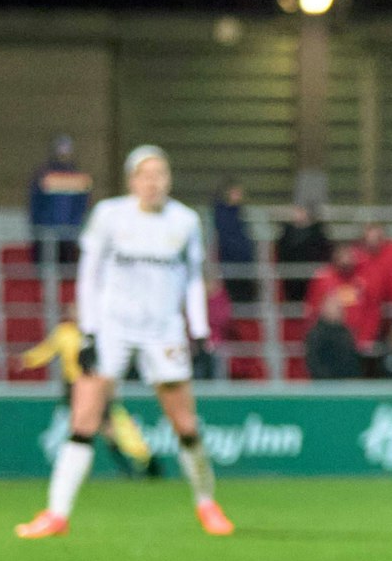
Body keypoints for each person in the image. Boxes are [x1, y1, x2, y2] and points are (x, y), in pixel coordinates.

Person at [16, 145, 232, 539]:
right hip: (113, 328)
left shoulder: (184, 221)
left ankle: (207, 503)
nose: (153, 182)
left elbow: (192, 280)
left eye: (160, 174)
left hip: (163, 329)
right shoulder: (110, 215)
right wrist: (89, 332)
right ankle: (56, 514)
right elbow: (89, 277)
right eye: (145, 175)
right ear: (133, 180)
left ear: (168, 179)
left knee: (185, 424)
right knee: (83, 420)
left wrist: (198, 331)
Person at [16, 319, 158, 478]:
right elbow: (47, 350)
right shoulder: (65, 332)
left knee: (106, 426)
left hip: (94, 384)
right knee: (90, 427)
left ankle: (138, 463)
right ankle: (131, 466)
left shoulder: (97, 332)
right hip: (73, 386)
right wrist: (27, 360)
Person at [304, 243, 383, 352]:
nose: (346, 259)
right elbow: (313, 310)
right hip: (329, 341)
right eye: (342, 255)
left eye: (349, 255)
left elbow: (372, 310)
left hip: (358, 341)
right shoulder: (322, 279)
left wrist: (366, 338)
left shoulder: (364, 279)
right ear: (335, 256)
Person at [27, 134, 92, 265]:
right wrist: (40, 224)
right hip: (46, 233)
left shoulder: (79, 177)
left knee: (67, 270)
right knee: (44, 268)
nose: (63, 155)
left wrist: (76, 225)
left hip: (70, 233)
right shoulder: (43, 175)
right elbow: (36, 204)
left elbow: (81, 205)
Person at [211, 180, 257, 304]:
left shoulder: (240, 211)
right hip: (230, 258)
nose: (239, 196)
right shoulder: (221, 212)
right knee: (233, 293)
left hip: (243, 259)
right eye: (236, 193)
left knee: (245, 293)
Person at [275, 205, 332, 304]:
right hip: (291, 276)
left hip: (311, 276)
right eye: (297, 211)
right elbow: (281, 253)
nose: (298, 214)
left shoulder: (317, 232)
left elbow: (324, 252)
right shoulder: (287, 232)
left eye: (301, 211)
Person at [304, 294, 363, 380]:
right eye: (336, 307)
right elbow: (314, 363)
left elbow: (352, 361)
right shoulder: (316, 334)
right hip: (324, 385)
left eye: (340, 308)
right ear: (324, 309)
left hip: (347, 384)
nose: (340, 310)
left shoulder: (346, 333)